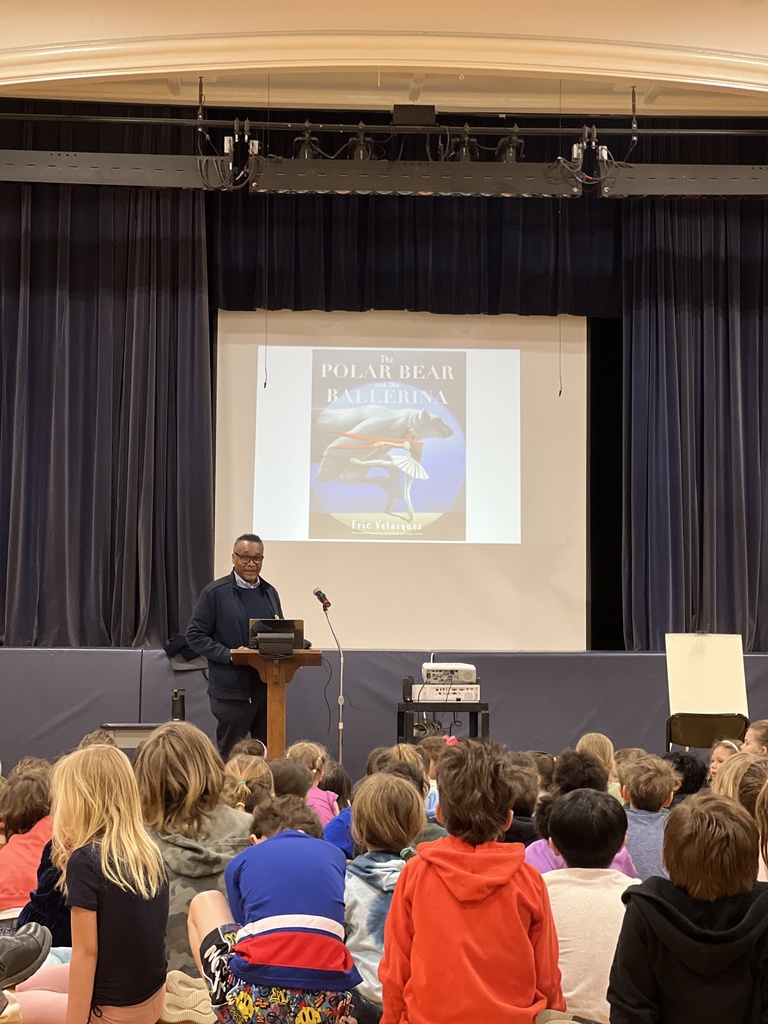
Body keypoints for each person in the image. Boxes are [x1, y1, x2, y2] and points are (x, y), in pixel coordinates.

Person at [379, 738, 565, 1023]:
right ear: (508, 820)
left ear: (439, 815)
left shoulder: (415, 874)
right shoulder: (529, 881)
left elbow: (395, 971)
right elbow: (548, 976)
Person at [14, 745, 168, 1024]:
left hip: (113, 1013)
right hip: (153, 999)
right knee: (22, 984)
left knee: (11, 1003)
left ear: (81, 801)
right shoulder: (148, 852)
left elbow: (86, 955)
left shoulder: (85, 861)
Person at [187, 796, 361, 1024]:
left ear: (254, 840)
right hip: (330, 1005)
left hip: (254, 1005)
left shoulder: (241, 861)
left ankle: (221, 1006)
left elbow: (241, 929)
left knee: (206, 900)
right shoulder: (336, 856)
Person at [607, 794, 768, 1024]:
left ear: (668, 854)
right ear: (750, 856)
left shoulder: (646, 908)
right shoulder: (763, 910)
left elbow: (629, 1007)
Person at [133, 722, 251, 977]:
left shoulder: (130, 844)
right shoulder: (253, 833)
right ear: (212, 767)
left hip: (160, 991)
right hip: (237, 990)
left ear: (145, 779)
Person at [543, 789, 640, 1024]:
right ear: (622, 845)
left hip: (551, 1017)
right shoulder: (638, 895)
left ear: (553, 846)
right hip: (617, 1016)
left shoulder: (537, 890)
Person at [186, 533, 284, 758]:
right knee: (231, 756)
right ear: (234, 558)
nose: (251, 563)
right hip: (231, 692)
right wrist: (229, 654)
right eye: (245, 557)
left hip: (267, 690)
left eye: (257, 558)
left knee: (269, 756)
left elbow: (277, 632)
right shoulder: (214, 593)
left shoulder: (270, 593)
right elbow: (194, 635)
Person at [344, 774, 425, 1024]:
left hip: (359, 999)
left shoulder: (345, 880)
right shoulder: (425, 881)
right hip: (410, 1000)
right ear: (416, 825)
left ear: (358, 829)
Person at [619, 754, 677, 881]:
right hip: (662, 892)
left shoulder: (615, 824)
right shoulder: (676, 828)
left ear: (625, 793)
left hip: (620, 891)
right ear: (669, 799)